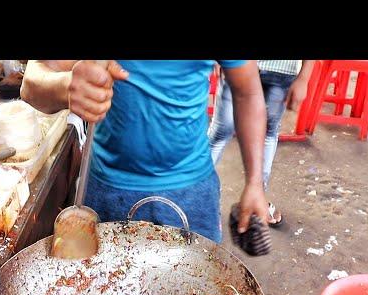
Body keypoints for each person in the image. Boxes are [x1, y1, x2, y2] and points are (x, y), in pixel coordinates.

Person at [20, 60, 269, 242]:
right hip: (106, 192)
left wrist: (255, 183)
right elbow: (31, 84)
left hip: (192, 194)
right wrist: (65, 86)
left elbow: (248, 92)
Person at [208, 60, 316, 226]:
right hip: (237, 64)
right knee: (222, 131)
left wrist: (304, 77)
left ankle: (257, 199)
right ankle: (198, 194)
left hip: (281, 69)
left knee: (268, 132)